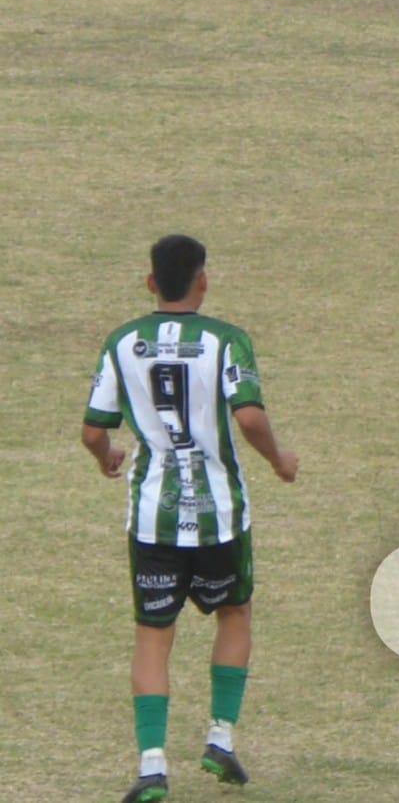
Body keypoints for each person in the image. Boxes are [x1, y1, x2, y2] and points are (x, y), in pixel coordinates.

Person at [81, 235, 299, 803]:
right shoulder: (226, 341)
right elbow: (249, 418)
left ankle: (152, 765)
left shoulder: (122, 342)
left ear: (150, 282)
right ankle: (219, 737)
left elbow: (92, 429)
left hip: (153, 517)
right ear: (204, 279)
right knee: (235, 611)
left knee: (153, 636)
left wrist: (107, 459)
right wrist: (279, 459)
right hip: (220, 515)